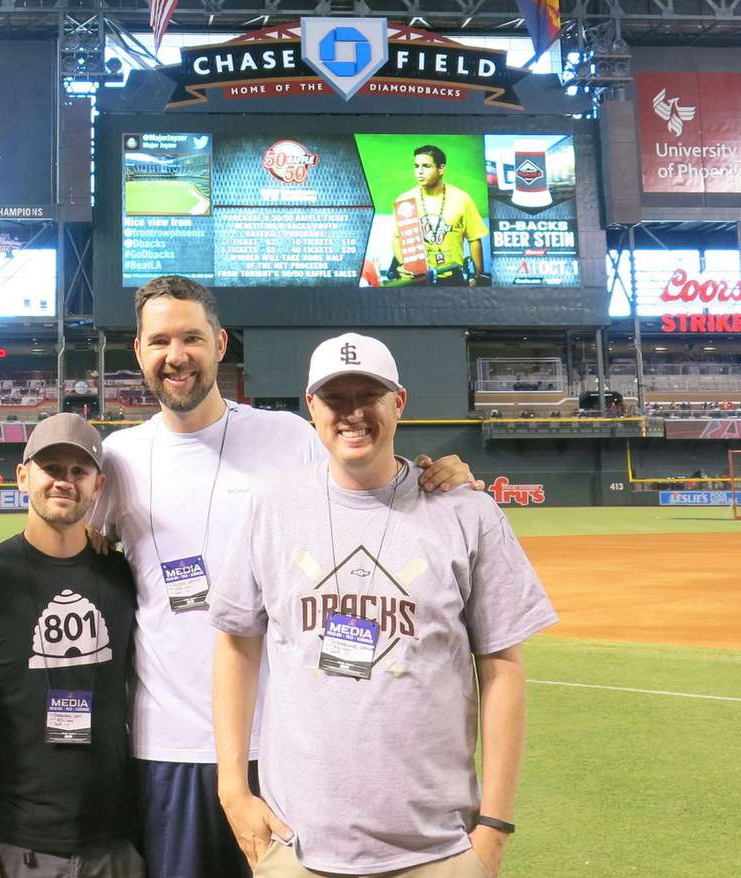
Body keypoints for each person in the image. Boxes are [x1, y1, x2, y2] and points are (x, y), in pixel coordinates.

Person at [87, 276, 484, 878]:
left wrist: (443, 473)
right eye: (160, 340)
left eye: (191, 337)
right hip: (168, 745)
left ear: (220, 344)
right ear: (137, 352)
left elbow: (370, 483)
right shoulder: (118, 459)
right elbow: (74, 559)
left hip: (293, 749)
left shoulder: (288, 437)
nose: (177, 355)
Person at [211, 333, 557, 878]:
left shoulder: (466, 514)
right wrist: (232, 788)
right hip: (296, 845)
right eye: (335, 399)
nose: (352, 414)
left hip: (439, 850)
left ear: (398, 402)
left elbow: (503, 668)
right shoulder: (269, 508)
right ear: (311, 408)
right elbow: (236, 646)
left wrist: (493, 828)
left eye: (367, 395)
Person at [0, 413, 144, 878]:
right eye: (51, 468)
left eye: (78, 472)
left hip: (116, 834)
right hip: (17, 840)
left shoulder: (125, 576)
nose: (65, 481)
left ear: (98, 487)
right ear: (23, 476)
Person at [391, 145, 489, 287]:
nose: (419, 172)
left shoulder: (462, 199)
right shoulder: (405, 200)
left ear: (441, 169)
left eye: (426, 166)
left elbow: (474, 240)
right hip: (418, 278)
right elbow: (397, 238)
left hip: (454, 277)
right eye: (416, 166)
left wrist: (476, 276)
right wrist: (403, 264)